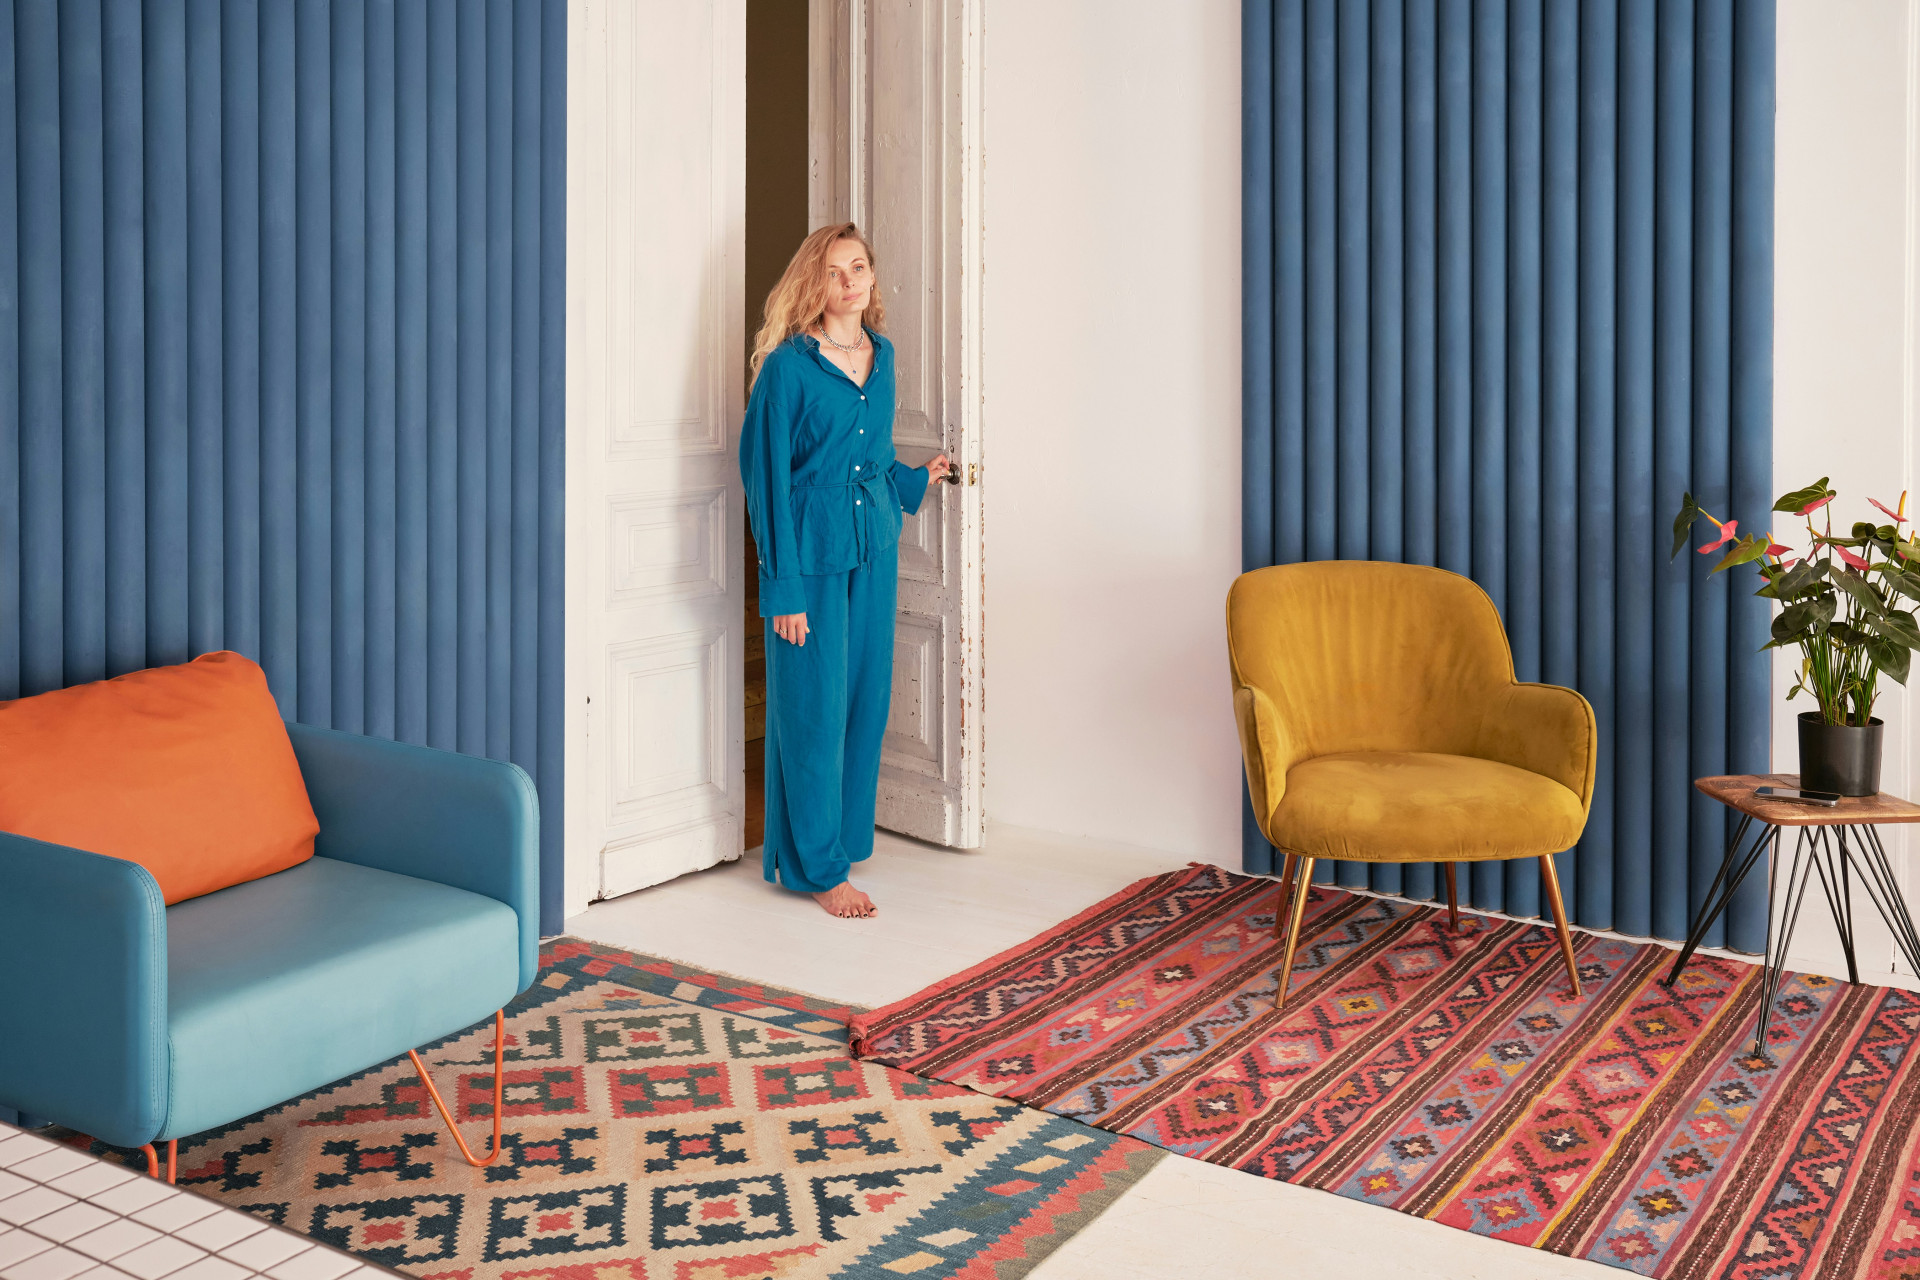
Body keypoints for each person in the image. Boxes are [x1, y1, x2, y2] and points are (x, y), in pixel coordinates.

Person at [740, 223, 952, 918]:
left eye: (858, 267)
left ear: (872, 275)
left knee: (864, 703)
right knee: (814, 708)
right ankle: (821, 870)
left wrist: (917, 480)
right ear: (814, 282)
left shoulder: (881, 356)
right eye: (834, 271)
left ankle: (844, 842)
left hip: (874, 547)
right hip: (812, 557)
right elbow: (767, 481)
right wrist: (783, 590)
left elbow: (871, 456)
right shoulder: (788, 368)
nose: (849, 281)